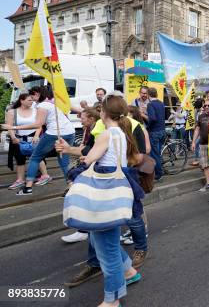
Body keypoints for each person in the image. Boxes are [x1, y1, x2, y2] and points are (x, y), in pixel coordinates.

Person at [59, 94, 143, 306]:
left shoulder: (107, 134)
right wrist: (72, 150)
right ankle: (130, 272)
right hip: (114, 192)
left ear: (103, 113)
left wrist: (70, 152)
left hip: (105, 196)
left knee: (108, 252)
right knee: (103, 242)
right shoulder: (120, 132)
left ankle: (113, 300)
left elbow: (89, 158)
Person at [2, 87, 75, 196]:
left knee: (35, 158)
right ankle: (71, 188)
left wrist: (13, 127)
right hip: (70, 132)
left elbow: (37, 124)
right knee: (64, 162)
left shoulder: (42, 105)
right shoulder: (51, 104)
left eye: (32, 96)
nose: (32, 99)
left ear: (37, 94)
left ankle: (28, 188)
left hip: (55, 133)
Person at [60, 108, 100, 244]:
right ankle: (85, 230)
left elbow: (93, 151)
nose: (80, 120)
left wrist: (88, 157)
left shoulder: (101, 130)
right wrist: (68, 149)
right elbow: (87, 150)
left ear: (91, 119)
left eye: (82, 118)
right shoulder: (91, 130)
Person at [6, 93, 46, 190]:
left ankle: (45, 176)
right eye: (29, 100)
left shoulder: (35, 111)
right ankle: (20, 180)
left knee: (38, 157)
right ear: (22, 100)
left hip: (33, 138)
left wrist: (36, 136)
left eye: (32, 100)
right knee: (20, 159)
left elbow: (39, 125)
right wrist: (13, 137)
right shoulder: (12, 112)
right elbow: (9, 126)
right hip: (18, 139)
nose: (32, 102)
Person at [192, 100, 209, 191]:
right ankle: (208, 183)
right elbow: (197, 129)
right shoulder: (200, 116)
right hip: (203, 144)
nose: (207, 107)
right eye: (205, 106)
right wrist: (193, 142)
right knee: (205, 164)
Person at [146, 87, 166, 181]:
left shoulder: (150, 105)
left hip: (154, 131)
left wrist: (148, 127)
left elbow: (153, 118)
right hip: (162, 130)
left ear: (148, 95)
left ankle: (158, 174)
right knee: (158, 153)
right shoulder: (161, 103)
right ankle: (159, 170)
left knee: (155, 154)